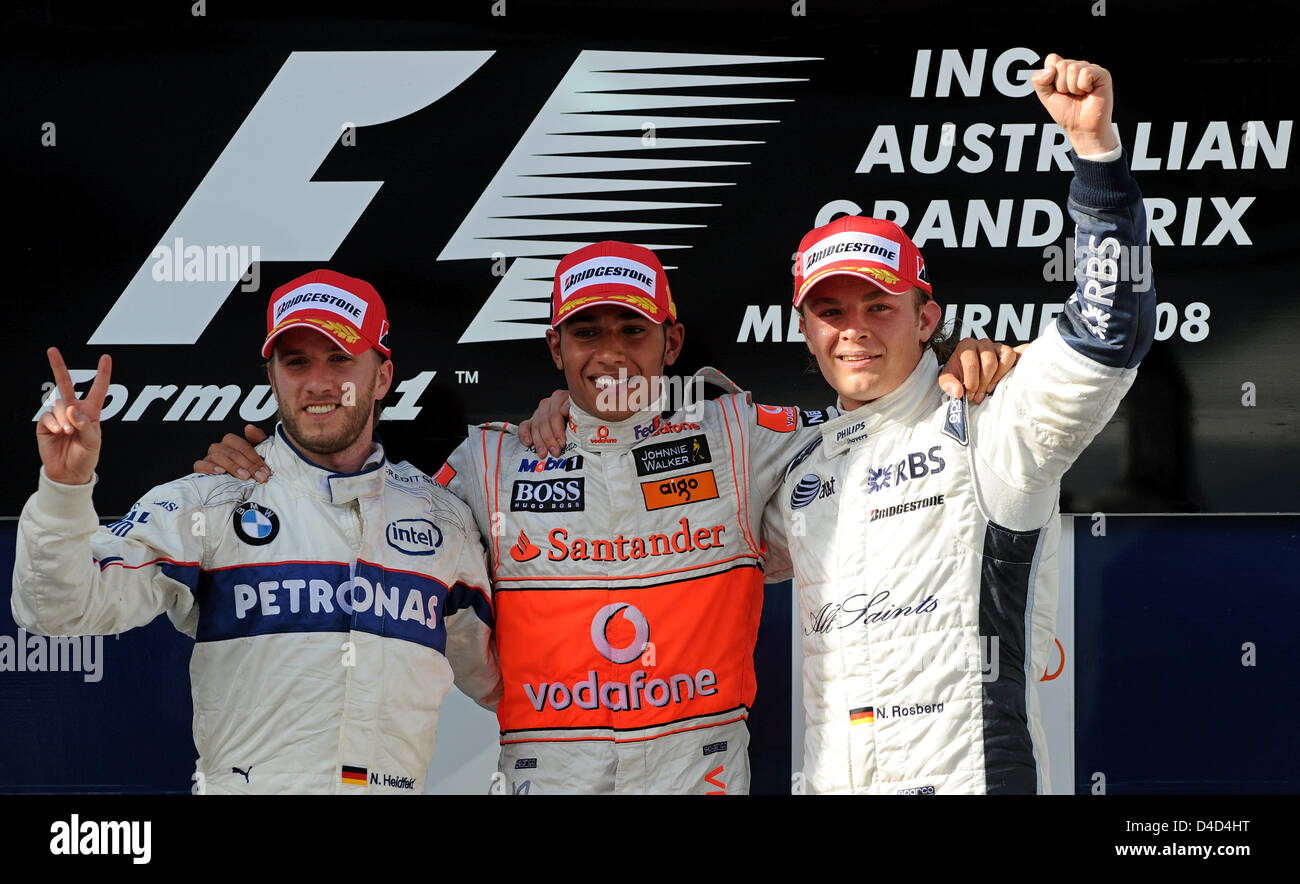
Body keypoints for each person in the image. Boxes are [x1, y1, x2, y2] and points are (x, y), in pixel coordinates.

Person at [198, 249, 1018, 794]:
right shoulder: (495, 459)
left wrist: (958, 365)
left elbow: (868, 430)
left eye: (633, 329)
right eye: (587, 332)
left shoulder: (734, 433)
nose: (611, 353)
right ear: (555, 349)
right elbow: (376, 519)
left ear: (673, 342)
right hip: (545, 770)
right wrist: (260, 470)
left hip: (694, 769)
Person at [775, 54, 1154, 794]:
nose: (853, 331)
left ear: (927, 318)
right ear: (807, 330)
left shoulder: (992, 420)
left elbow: (1113, 330)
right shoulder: (794, 463)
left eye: (879, 307)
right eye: (831, 311)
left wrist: (1097, 159)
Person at [12, 269, 501, 795]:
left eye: (340, 358)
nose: (317, 382)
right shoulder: (211, 501)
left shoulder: (442, 521)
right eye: (296, 362)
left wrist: (578, 422)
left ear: (382, 378)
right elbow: (59, 609)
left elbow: (509, 681)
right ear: (272, 376)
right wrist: (64, 488)